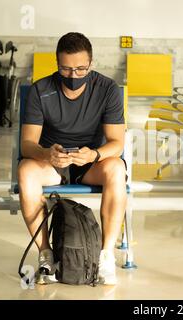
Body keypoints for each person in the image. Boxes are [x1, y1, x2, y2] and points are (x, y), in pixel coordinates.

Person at [18, 32, 126, 285]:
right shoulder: (41, 90)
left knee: (117, 169)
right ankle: (46, 255)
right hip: (53, 163)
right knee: (26, 171)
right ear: (57, 64)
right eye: (66, 69)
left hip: (92, 162)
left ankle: (105, 256)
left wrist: (95, 154)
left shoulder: (107, 89)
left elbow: (117, 144)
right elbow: (27, 144)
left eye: (81, 69)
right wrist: (46, 154)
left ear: (91, 64)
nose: (74, 76)